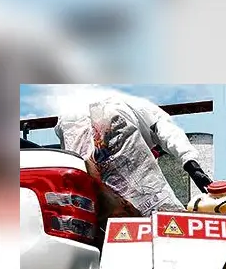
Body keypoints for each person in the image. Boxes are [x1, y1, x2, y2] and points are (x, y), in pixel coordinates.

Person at [55, 90, 214, 216]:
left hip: (68, 122)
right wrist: (192, 164)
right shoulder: (145, 109)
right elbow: (169, 132)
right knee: (160, 211)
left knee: (89, 205)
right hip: (112, 115)